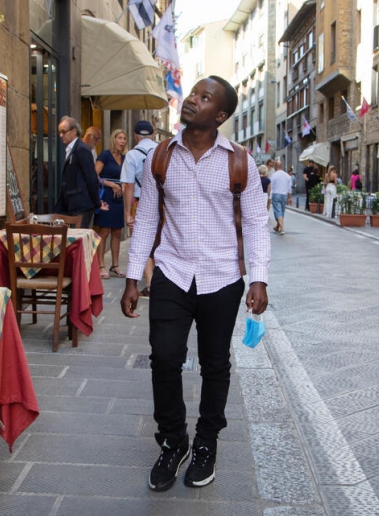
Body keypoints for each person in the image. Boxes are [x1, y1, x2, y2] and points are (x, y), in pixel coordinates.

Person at [120, 75, 269, 492]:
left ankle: (206, 444)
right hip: (172, 272)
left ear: (220, 115)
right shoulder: (161, 157)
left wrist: (258, 278)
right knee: (164, 359)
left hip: (222, 277)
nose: (192, 100)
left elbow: (257, 221)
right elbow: (147, 217)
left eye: (204, 98)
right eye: (193, 93)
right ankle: (172, 441)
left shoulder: (239, 161)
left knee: (215, 363)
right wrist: (133, 277)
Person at [121, 120, 159, 296]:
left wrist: (128, 213)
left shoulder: (131, 155)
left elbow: (128, 185)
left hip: (140, 201)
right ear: (152, 134)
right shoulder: (161, 150)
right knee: (160, 240)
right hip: (161, 203)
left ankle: (151, 283)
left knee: (142, 240)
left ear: (135, 136)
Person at [56, 116, 101, 228]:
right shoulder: (72, 148)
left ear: (74, 131)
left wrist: (97, 202)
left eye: (63, 132)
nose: (61, 135)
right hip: (71, 204)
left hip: (81, 205)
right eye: (59, 132)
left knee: (78, 239)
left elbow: (91, 178)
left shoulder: (81, 149)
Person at [95, 129, 127, 278]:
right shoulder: (105, 155)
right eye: (119, 138)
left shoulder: (125, 158)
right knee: (104, 231)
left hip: (119, 198)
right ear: (113, 139)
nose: (122, 141)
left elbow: (127, 177)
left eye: (124, 138)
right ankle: (101, 266)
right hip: (106, 197)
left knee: (117, 232)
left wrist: (123, 187)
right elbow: (94, 176)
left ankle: (115, 265)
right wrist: (111, 185)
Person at [270, 159, 291, 234]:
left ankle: (282, 229)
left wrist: (269, 197)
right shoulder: (287, 175)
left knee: (278, 211)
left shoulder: (274, 175)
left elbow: (271, 186)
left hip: (276, 194)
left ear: (275, 166)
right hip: (284, 195)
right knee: (282, 211)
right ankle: (277, 227)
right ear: (281, 166)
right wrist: (290, 197)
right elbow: (289, 188)